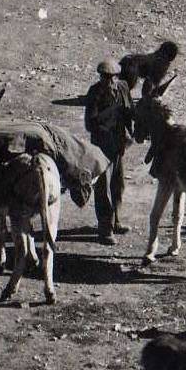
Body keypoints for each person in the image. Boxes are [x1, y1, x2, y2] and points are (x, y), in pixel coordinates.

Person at [83, 59, 134, 243]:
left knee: (118, 185)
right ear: (100, 77)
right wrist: (109, 124)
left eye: (112, 78)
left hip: (119, 145)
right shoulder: (94, 93)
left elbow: (130, 111)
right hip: (101, 147)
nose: (109, 81)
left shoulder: (123, 88)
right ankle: (105, 229)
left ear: (117, 77)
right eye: (105, 77)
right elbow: (90, 124)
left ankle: (116, 220)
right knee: (102, 188)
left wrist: (132, 131)